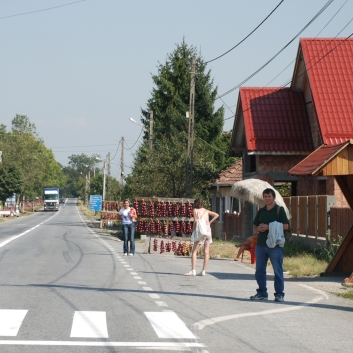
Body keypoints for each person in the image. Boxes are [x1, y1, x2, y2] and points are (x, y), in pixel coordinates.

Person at [251, 188, 289, 302]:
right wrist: (259, 228)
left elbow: (286, 226)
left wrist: (270, 227)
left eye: (269, 196)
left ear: (274, 198)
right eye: (265, 196)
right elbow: (254, 226)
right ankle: (262, 293)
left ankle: (279, 294)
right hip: (261, 244)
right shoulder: (261, 211)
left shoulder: (279, 210)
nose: (267, 198)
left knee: (277, 270)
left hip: (275, 245)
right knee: (259, 270)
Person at [184, 198, 219, 276]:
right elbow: (217, 215)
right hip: (208, 231)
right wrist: (209, 222)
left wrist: (193, 231)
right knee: (206, 252)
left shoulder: (195, 210)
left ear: (195, 204)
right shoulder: (206, 211)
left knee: (194, 251)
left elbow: (195, 221)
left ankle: (193, 270)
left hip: (200, 232)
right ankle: (203, 271)